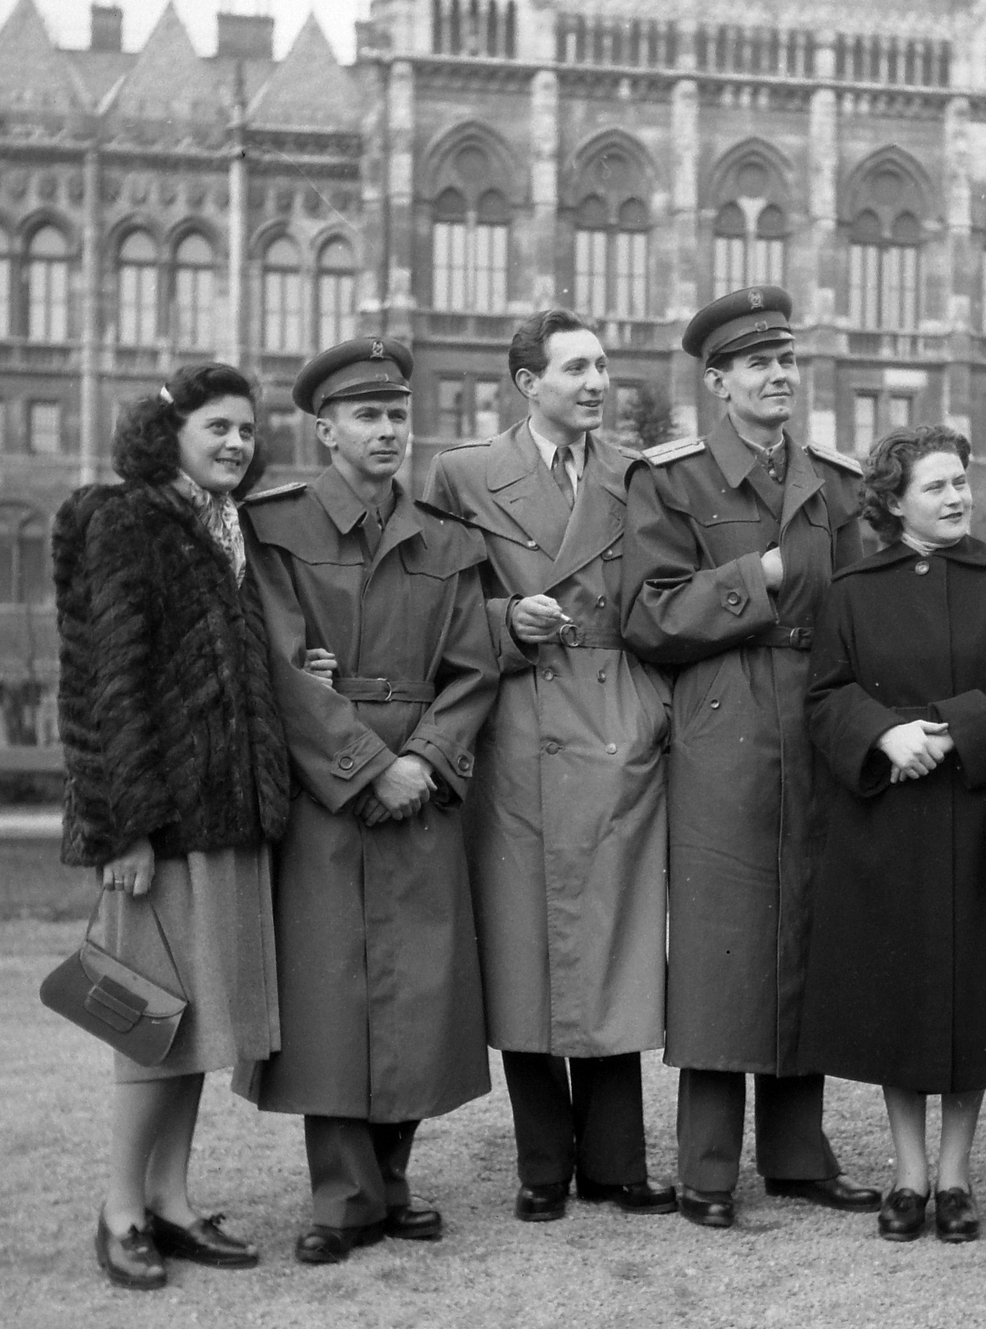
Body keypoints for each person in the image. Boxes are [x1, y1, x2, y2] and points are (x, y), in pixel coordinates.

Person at [235, 337, 500, 1265]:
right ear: (324, 430)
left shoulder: (446, 538)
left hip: (421, 791)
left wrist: (423, 759)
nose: (388, 431)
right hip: (330, 795)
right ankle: (342, 1195)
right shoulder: (275, 530)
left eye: (396, 415)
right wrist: (364, 765)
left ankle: (394, 1179)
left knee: (419, 988)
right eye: (366, 416)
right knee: (333, 989)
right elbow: (278, 667)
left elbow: (474, 669)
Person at [620, 285, 879, 1229]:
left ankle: (800, 1157)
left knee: (810, 925)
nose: (778, 377)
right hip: (721, 723)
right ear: (717, 380)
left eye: (787, 362)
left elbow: (864, 609)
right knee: (723, 944)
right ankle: (707, 1168)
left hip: (814, 721)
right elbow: (645, 613)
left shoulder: (836, 483)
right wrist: (757, 577)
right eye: (757, 364)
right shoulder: (673, 480)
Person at [423, 310, 675, 1223]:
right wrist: (502, 623)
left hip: (615, 715)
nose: (597, 383)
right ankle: (542, 1165)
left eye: (603, 367)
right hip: (520, 721)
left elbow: (661, 597)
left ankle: (616, 1163)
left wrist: (650, 711)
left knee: (611, 939)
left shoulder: (638, 475)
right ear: (528, 383)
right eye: (576, 369)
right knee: (526, 941)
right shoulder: (463, 474)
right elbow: (437, 602)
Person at [799, 426, 986, 1244]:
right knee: (900, 1003)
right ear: (892, 501)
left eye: (962, 482)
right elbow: (824, 698)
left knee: (971, 1002)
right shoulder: (851, 590)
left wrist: (952, 733)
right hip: (886, 828)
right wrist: (884, 737)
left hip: (977, 822)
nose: (957, 498)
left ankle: (955, 1177)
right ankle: (907, 1176)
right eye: (937, 486)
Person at [54, 363, 289, 1289]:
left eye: (245, 429)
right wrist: (125, 829)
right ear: (170, 433)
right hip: (160, 824)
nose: (236, 442)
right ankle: (120, 1209)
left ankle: (173, 1200)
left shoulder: (222, 523)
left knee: (200, 1023)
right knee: (149, 1019)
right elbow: (107, 685)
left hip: (225, 812)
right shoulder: (126, 519)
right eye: (216, 428)